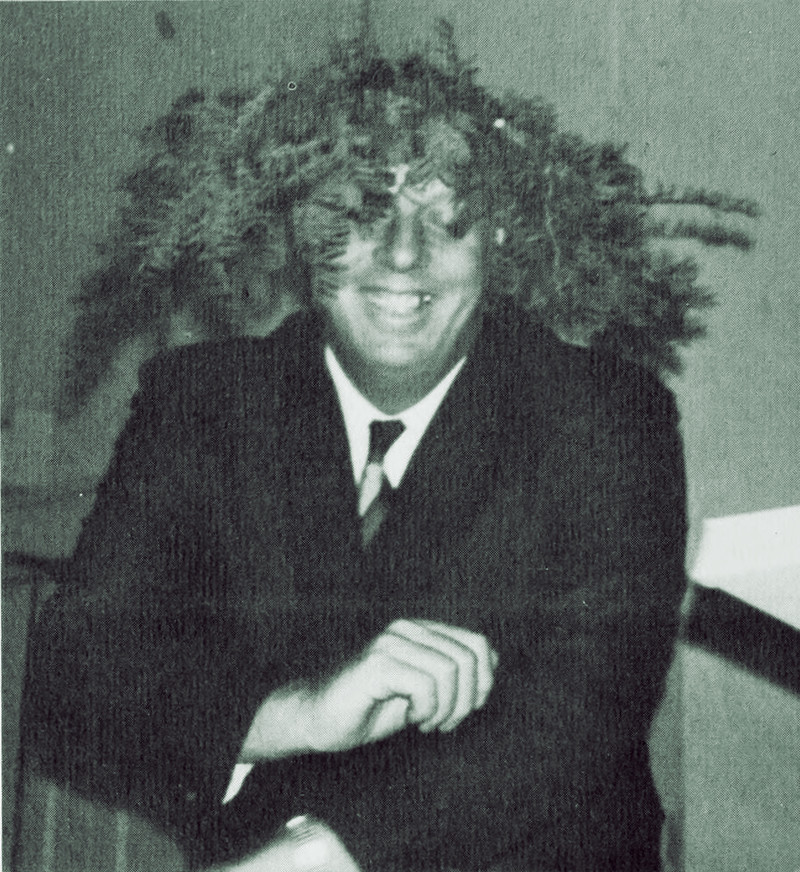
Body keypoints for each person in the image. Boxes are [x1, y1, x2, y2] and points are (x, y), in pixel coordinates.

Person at [23, 44, 688, 872]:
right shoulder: (202, 403)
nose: (403, 254)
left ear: (500, 236)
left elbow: (580, 714)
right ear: (305, 231)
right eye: (364, 212)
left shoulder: (603, 415)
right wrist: (303, 713)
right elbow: (75, 677)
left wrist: (321, 855)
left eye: (447, 218)